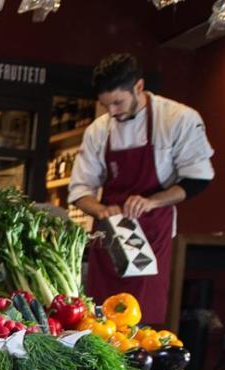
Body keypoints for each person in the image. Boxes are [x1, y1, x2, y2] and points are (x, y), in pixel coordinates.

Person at [69, 53, 214, 324]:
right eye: (105, 105)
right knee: (98, 318)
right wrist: (100, 209)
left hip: (152, 232)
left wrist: (153, 201)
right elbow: (79, 190)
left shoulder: (178, 119)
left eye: (117, 102)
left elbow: (198, 178)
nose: (111, 111)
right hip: (109, 234)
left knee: (141, 317)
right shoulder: (98, 130)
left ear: (138, 87)